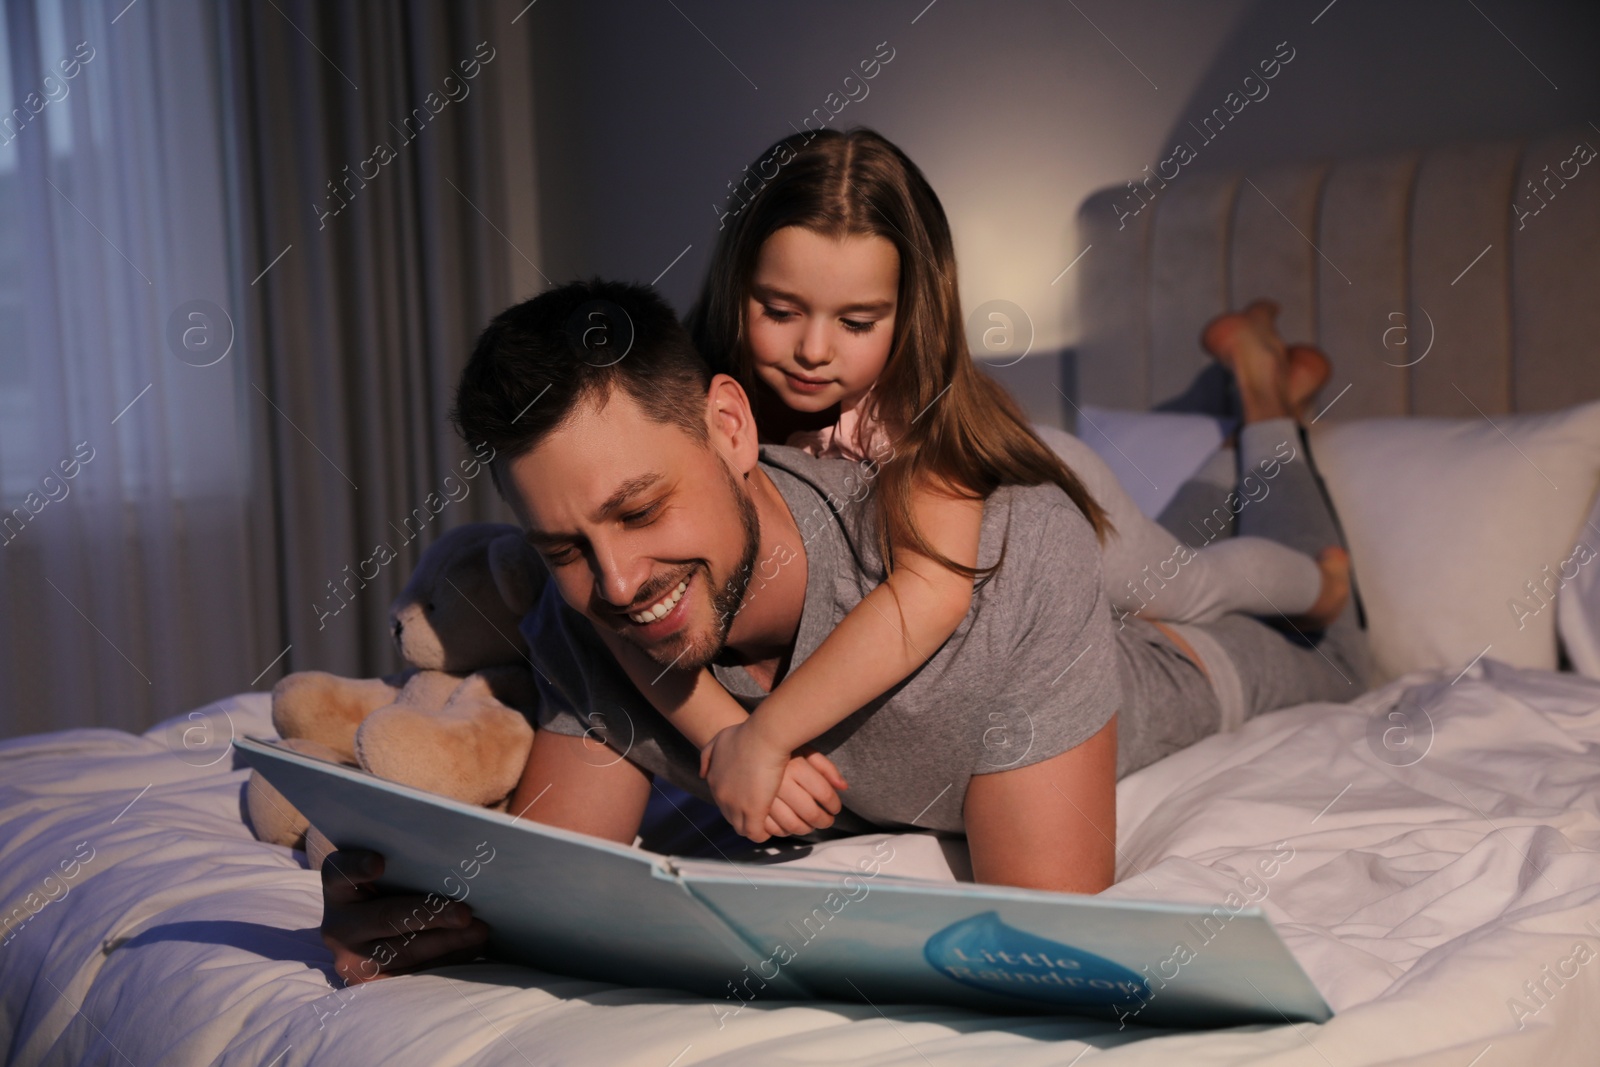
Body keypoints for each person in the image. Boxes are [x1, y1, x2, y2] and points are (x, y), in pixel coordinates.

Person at [319, 276, 1371, 984]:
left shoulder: (995, 556)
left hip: (1187, 667)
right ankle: (1243, 408)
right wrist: (413, 912)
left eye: (641, 509)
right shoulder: (586, 598)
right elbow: (553, 884)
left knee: (1317, 610)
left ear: (729, 427)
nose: (617, 580)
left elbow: (1045, 940)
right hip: (1073, 614)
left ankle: (1270, 409)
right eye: (562, 545)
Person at [597, 128, 1348, 843]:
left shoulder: (913, 416)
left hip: (1040, 477)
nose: (813, 351)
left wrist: (764, 734)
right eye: (780, 310)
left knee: (1186, 588)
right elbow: (611, 598)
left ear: (910, 310)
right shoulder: (693, 400)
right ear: (737, 286)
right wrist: (723, 737)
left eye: (858, 321)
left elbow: (928, 595)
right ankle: (1248, 409)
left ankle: (1315, 570)